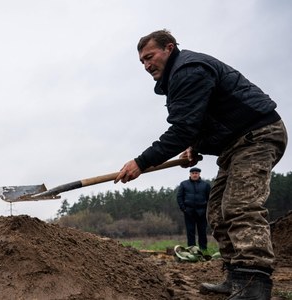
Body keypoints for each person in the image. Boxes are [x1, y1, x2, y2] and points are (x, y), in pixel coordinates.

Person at [114, 29, 287, 299]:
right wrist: (196, 147)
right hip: (234, 144)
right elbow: (201, 121)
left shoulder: (188, 71)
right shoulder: (178, 78)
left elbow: (183, 128)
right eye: (142, 62)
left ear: (169, 48)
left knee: (240, 207)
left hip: (257, 136)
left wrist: (141, 162)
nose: (146, 65)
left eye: (150, 57)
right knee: (217, 212)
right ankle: (236, 276)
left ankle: (254, 284)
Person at [177, 167, 210, 251]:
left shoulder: (205, 185)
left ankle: (203, 250)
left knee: (202, 232)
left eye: (196, 173)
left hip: (202, 212)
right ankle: (192, 250)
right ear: (190, 174)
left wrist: (207, 209)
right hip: (189, 212)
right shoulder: (184, 184)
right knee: (190, 232)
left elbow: (210, 198)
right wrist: (183, 208)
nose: (195, 175)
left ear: (199, 174)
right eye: (193, 173)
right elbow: (179, 197)